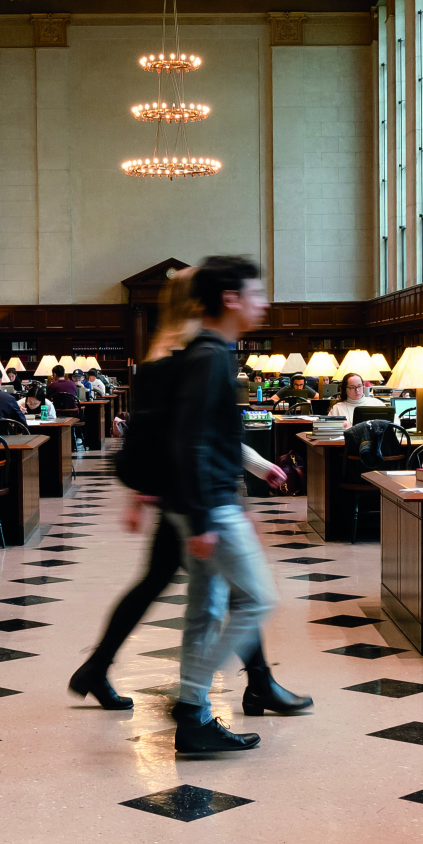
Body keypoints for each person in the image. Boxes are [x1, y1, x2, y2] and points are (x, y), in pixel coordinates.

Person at [71, 268, 306, 718]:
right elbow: (178, 434)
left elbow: (199, 432)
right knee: (237, 593)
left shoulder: (176, 349)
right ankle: (232, 689)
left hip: (179, 493)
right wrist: (145, 496)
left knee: (182, 587)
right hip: (185, 495)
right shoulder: (184, 353)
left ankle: (104, 670)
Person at [163, 254, 283, 754]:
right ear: (231, 299)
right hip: (208, 504)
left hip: (205, 502)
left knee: (206, 609)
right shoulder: (211, 355)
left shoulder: (208, 350)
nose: (265, 302)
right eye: (256, 293)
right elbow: (189, 441)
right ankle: (190, 703)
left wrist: (251, 479)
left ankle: (193, 721)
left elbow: (210, 437)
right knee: (258, 599)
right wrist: (203, 519)